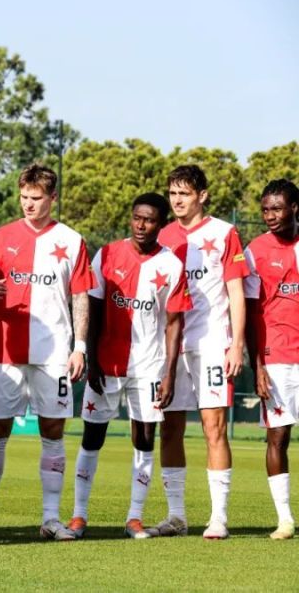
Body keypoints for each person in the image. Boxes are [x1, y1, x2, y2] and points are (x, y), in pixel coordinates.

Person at [0, 163, 93, 541]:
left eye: (36, 199)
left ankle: (51, 518)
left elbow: (81, 295)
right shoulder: (1, 236)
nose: (28, 205)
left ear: (52, 198)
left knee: (53, 431)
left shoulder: (71, 240)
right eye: (23, 197)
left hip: (54, 353)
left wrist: (80, 347)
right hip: (5, 350)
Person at [69, 193, 190, 539]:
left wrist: (169, 372)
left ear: (161, 224)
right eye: (137, 217)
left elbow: (173, 322)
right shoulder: (106, 255)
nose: (141, 225)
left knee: (144, 439)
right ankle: (78, 516)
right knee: (92, 437)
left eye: (149, 220)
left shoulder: (171, 265)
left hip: (148, 366)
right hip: (107, 364)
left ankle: (134, 518)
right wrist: (90, 358)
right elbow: (91, 312)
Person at [152, 165, 248, 539]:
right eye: (173, 193)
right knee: (170, 428)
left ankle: (219, 517)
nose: (177, 200)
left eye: (185, 193)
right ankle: (176, 516)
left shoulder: (224, 233)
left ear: (202, 195)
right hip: (170, 346)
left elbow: (237, 293)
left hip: (210, 343)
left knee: (213, 427)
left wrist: (236, 344)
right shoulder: (162, 236)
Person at [244, 178, 299, 540]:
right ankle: (285, 520)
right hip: (276, 357)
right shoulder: (254, 251)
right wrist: (258, 366)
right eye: (265, 209)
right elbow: (249, 313)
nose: (270, 216)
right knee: (277, 437)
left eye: (277, 208)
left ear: (295, 207)